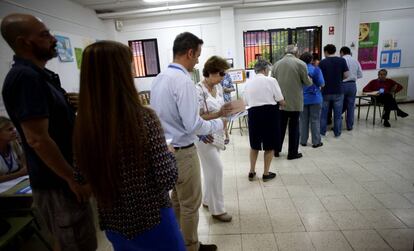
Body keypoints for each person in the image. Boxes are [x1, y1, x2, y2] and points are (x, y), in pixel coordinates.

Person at [73, 40, 185, 251]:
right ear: (121, 72)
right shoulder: (143, 119)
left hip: (115, 223)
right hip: (153, 218)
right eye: (131, 65)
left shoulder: (83, 123)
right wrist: (169, 153)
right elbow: (167, 178)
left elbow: (80, 177)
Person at [1, 13, 97, 251]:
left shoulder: (42, 76)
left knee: (80, 240)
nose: (53, 39)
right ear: (24, 42)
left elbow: (51, 124)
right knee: (74, 243)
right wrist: (72, 178)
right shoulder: (26, 77)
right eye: (44, 35)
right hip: (57, 184)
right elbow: (37, 139)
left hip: (63, 180)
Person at [151, 32, 229, 251]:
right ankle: (191, 246)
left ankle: (178, 243)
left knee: (177, 200)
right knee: (190, 205)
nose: (197, 61)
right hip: (183, 151)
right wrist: (219, 124)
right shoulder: (183, 81)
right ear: (189, 52)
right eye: (197, 56)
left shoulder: (160, 77)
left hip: (166, 148)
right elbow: (193, 124)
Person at [196, 56, 232, 222]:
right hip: (204, 136)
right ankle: (217, 209)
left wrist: (225, 128)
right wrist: (219, 114)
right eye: (220, 73)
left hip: (217, 133)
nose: (223, 77)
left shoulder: (217, 88)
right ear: (210, 73)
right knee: (217, 169)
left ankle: (206, 200)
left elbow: (221, 111)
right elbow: (198, 117)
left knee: (210, 170)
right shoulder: (198, 90)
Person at [244, 59, 285, 181]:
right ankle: (266, 173)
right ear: (265, 69)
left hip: (253, 113)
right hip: (270, 113)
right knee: (270, 144)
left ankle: (252, 172)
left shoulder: (248, 83)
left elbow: (245, 102)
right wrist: (284, 103)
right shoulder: (271, 80)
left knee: (254, 144)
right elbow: (280, 99)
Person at [271, 44, 312, 160]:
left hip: (280, 101)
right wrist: (311, 80)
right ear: (296, 53)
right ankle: (292, 153)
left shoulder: (276, 64)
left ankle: (276, 150)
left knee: (280, 126)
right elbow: (307, 82)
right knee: (294, 127)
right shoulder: (301, 64)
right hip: (295, 102)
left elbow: (272, 82)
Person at [319, 44, 349, 137]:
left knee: (323, 114)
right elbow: (346, 75)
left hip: (325, 91)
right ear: (335, 51)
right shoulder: (342, 61)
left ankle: (322, 132)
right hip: (338, 91)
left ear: (326, 52)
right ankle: (337, 132)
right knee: (337, 113)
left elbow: (319, 77)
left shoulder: (322, 62)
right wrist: (339, 79)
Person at [299, 52, 325, 148]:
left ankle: (303, 141)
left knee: (303, 120)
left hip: (302, 99)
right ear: (311, 60)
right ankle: (316, 142)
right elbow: (322, 84)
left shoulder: (298, 70)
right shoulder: (316, 70)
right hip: (315, 98)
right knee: (315, 120)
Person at [340, 46, 363, 131]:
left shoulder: (342, 60)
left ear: (342, 52)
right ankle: (350, 126)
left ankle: (337, 125)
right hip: (352, 85)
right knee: (350, 106)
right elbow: (360, 75)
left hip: (342, 84)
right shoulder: (356, 61)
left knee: (339, 105)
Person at [0, 116, 27, 183]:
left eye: (14, 128)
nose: (14, 131)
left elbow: (25, 166)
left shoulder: (14, 143)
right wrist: (19, 174)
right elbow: (22, 172)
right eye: (10, 129)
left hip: (13, 183)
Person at [220, 72, 235, 144]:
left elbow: (233, 88)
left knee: (225, 119)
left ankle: (225, 135)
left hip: (226, 101)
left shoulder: (227, 75)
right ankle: (226, 136)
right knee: (221, 118)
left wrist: (227, 89)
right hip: (217, 101)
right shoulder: (214, 75)